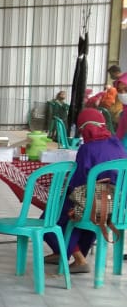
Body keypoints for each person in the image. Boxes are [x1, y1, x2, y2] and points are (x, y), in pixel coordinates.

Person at [43, 107, 127, 273]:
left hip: (97, 206)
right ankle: (64, 252)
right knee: (81, 211)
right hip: (117, 205)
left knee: (53, 215)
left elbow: (78, 183)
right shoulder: (117, 143)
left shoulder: (87, 149)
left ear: (84, 129)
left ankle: (77, 258)